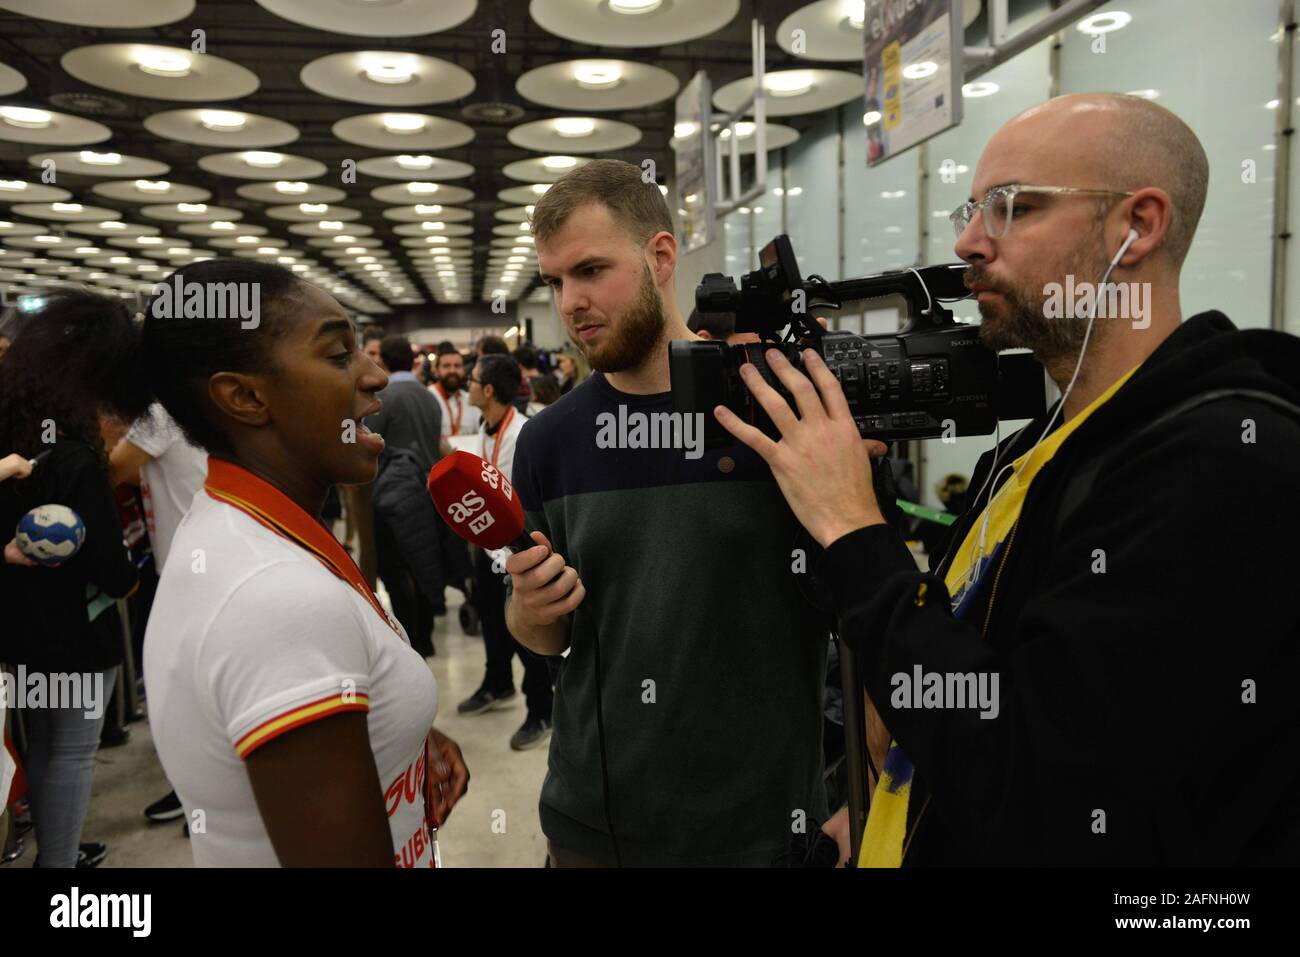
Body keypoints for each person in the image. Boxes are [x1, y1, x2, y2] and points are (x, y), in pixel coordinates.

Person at [714, 93, 1300, 866]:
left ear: (1139, 225)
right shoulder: (1032, 451)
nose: (967, 241)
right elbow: (954, 685)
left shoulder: (1219, 467)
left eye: (1011, 208)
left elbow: (1047, 802)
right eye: (971, 209)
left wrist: (856, 537)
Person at [506, 158, 832, 867]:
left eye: (590, 271)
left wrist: (850, 796)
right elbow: (539, 633)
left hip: (767, 824)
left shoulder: (777, 414)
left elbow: (862, 603)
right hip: (597, 824)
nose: (569, 302)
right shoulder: (548, 441)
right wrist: (531, 611)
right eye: (555, 281)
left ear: (659, 256)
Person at [141, 259, 467, 867]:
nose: (375, 376)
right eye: (340, 355)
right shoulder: (273, 597)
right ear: (244, 396)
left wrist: (396, 731)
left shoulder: (241, 530)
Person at [0, 290, 153, 868]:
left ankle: (55, 853)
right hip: (79, 633)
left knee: (41, 744)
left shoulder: (14, 438)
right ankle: (58, 865)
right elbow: (108, 564)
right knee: (73, 752)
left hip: (21, 626)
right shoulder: (76, 458)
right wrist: (128, 583)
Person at [109, 403, 209, 825]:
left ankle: (202, 798)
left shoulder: (160, 413)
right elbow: (136, 472)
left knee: (190, 688)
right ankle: (194, 793)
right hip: (194, 558)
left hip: (194, 564)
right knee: (189, 685)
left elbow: (111, 471)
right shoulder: (174, 407)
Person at [456, 355, 553, 750]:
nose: (469, 385)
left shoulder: (523, 433)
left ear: (490, 390)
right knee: (493, 625)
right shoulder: (485, 426)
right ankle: (497, 684)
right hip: (487, 547)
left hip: (515, 552)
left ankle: (542, 711)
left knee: (525, 637)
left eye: (473, 380)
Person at [366, 334, 445, 657]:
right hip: (428, 493)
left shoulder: (383, 399)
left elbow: (371, 443)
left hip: (393, 496)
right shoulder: (429, 398)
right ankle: (425, 635)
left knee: (395, 569)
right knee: (423, 563)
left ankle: (410, 637)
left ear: (382, 360)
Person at [429, 342, 482, 444]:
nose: (452, 370)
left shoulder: (472, 400)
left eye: (457, 366)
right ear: (436, 370)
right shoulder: (427, 397)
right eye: (446, 366)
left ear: (463, 369)